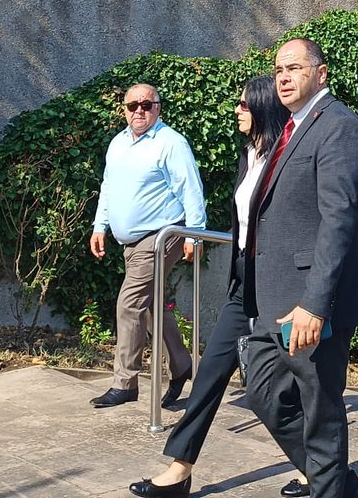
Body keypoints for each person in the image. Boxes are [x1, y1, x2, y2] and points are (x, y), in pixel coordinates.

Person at [128, 77, 302, 498]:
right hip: (245, 284)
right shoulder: (251, 156)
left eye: (243, 104)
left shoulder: (287, 157)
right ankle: (179, 469)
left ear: (261, 107)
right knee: (210, 373)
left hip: (282, 287)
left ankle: (323, 471)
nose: (237, 110)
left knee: (284, 389)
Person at [242, 38, 358, 498]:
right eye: (279, 69)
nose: (283, 76)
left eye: (295, 68)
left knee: (319, 412)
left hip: (309, 305)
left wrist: (315, 305)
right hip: (274, 299)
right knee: (260, 386)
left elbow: (341, 220)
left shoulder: (338, 126)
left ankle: (329, 489)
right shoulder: (292, 127)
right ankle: (343, 487)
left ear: (320, 74)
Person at [89, 83, 207, 409]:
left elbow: (191, 189)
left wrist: (194, 235)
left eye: (147, 104)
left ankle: (125, 382)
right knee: (151, 303)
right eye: (132, 106)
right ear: (124, 109)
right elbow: (109, 187)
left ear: (158, 108)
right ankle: (182, 363)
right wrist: (100, 226)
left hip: (160, 237)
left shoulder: (171, 143)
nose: (139, 110)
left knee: (129, 303)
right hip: (130, 242)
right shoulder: (119, 143)